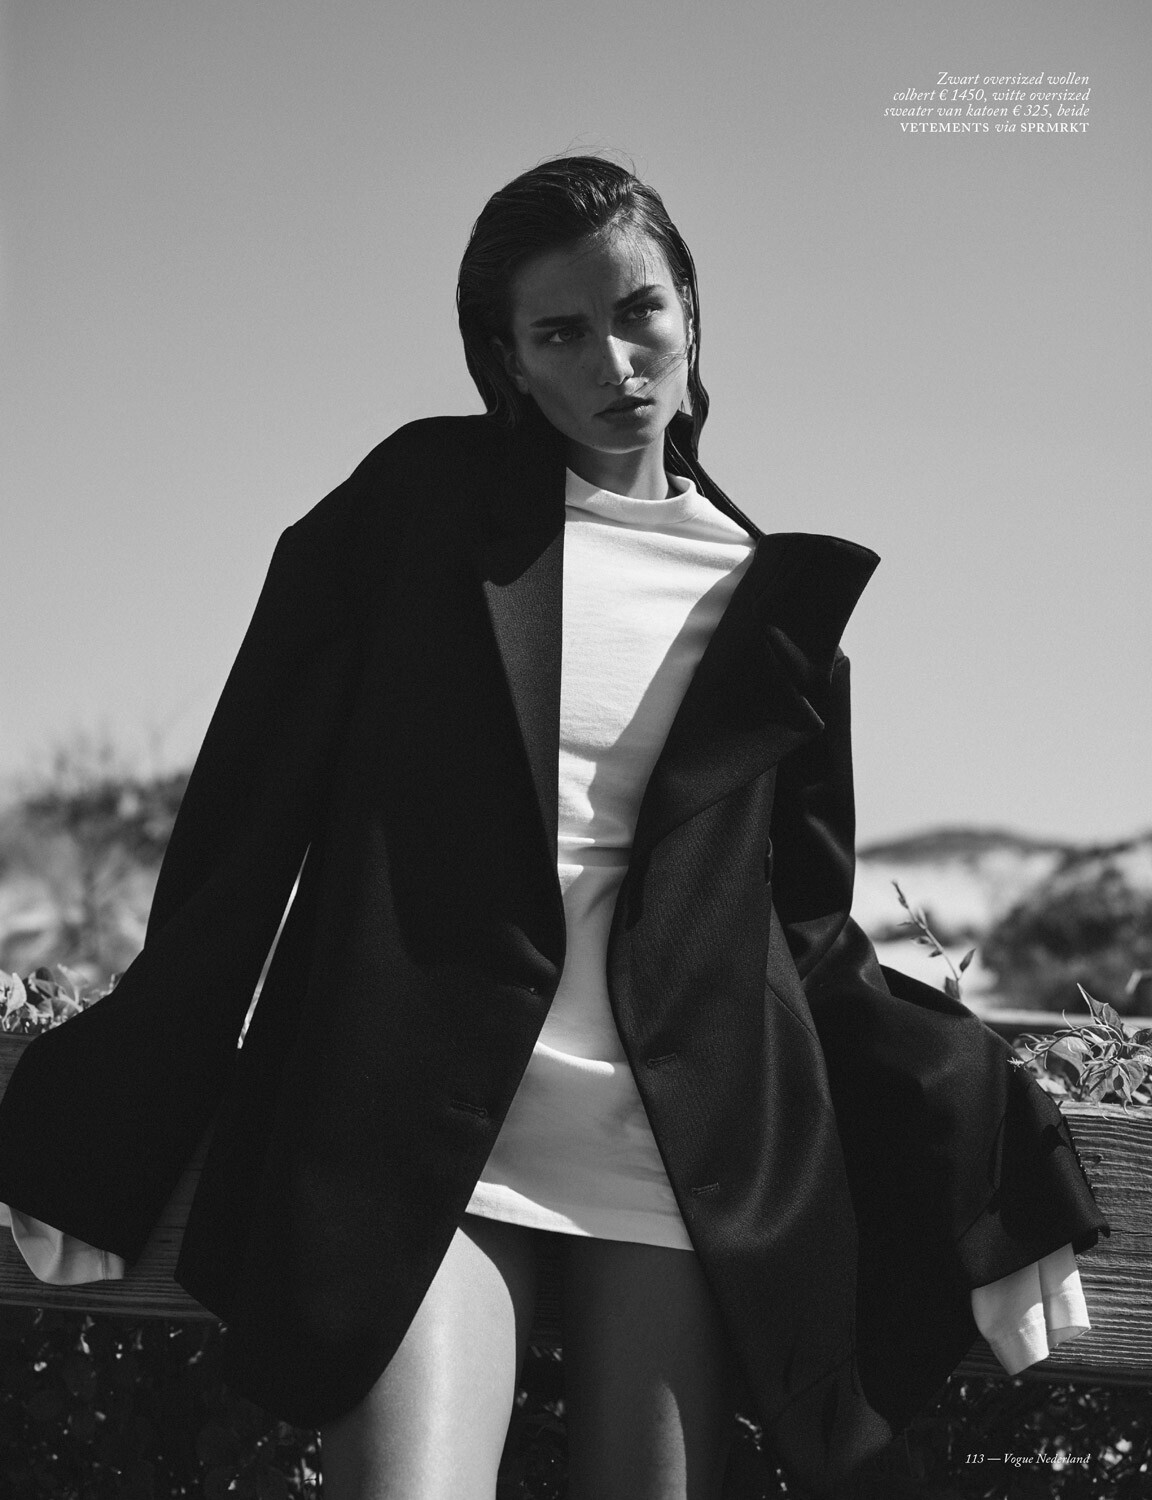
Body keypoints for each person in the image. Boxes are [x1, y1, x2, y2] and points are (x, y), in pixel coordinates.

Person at [0, 156, 1107, 1499]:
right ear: (507, 361)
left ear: (691, 310)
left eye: (639, 314)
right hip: (416, 1139)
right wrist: (110, 1115)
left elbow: (806, 939)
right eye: (561, 333)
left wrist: (992, 1151)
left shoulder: (775, 615)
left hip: (666, 1159)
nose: (615, 363)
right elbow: (247, 817)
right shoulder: (416, 511)